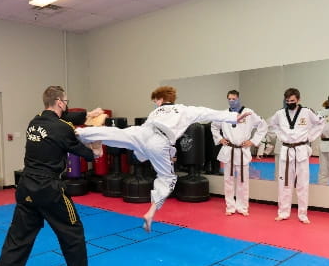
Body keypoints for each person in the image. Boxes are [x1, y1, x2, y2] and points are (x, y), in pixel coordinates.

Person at [75, 86, 251, 232]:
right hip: (159, 141)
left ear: (159, 99)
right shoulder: (184, 110)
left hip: (143, 133)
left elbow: (144, 143)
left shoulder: (155, 113)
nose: (155, 104)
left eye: (155, 101)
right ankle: (151, 211)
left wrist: (143, 152)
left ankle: (82, 133)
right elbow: (207, 113)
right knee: (167, 178)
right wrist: (234, 117)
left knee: (119, 134)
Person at [0, 86, 99, 266]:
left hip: (26, 187)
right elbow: (89, 154)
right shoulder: (63, 128)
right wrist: (98, 145)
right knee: (73, 233)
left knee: (17, 242)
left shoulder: (34, 122)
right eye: (65, 101)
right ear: (59, 102)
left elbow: (65, 118)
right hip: (50, 189)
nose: (66, 105)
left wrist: (89, 114)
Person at [267, 88, 324, 224]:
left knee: (302, 184)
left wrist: (309, 137)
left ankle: (302, 214)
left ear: (298, 99)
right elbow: (271, 124)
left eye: (292, 101)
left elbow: (320, 123)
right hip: (286, 150)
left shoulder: (307, 112)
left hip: (301, 150)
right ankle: (283, 212)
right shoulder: (280, 113)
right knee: (284, 183)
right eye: (287, 101)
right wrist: (280, 135)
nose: (289, 103)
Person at [211, 90, 268, 216]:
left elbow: (263, 126)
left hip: (242, 151)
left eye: (234, 99)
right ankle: (230, 206)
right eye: (229, 99)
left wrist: (253, 141)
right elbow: (214, 126)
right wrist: (220, 139)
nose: (231, 101)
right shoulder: (224, 114)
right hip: (229, 150)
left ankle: (242, 207)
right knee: (228, 180)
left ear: (238, 99)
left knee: (243, 180)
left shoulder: (249, 113)